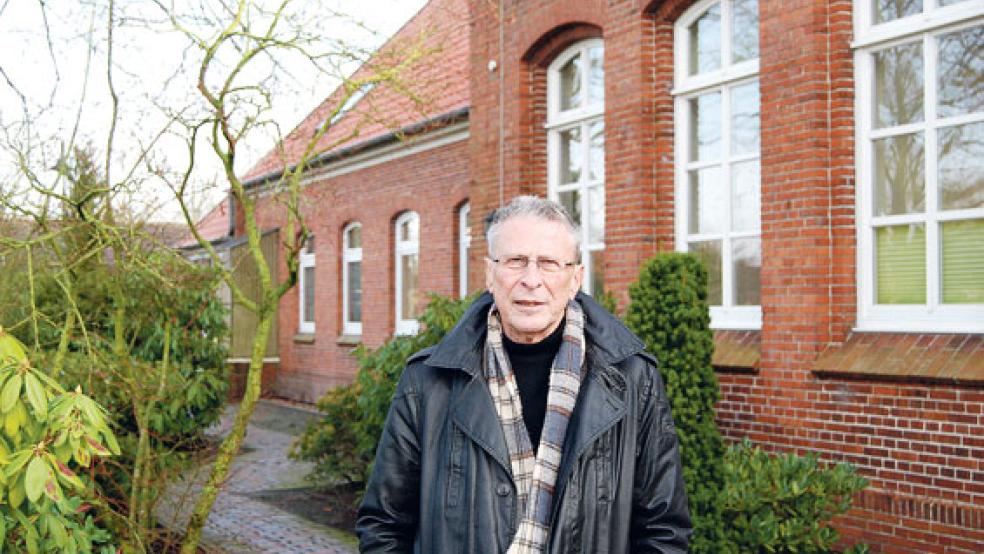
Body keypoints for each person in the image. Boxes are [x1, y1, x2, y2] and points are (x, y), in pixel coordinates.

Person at [357, 195, 691, 553]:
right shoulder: (427, 382)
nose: (531, 280)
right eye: (515, 261)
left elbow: (663, 530)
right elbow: (384, 525)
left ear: (575, 278)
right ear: (489, 274)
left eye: (548, 264)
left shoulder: (633, 380)